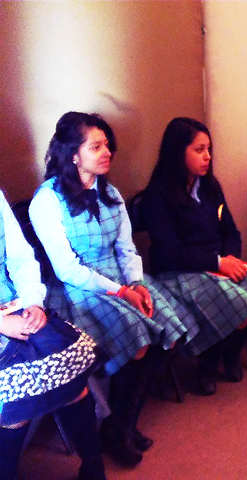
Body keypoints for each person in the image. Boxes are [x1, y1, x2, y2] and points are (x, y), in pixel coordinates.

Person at [29, 112, 191, 466]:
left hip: (120, 278)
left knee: (168, 327)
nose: (107, 153)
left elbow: (126, 248)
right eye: (96, 147)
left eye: (107, 146)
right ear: (74, 154)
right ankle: (119, 429)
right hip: (78, 290)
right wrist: (119, 292)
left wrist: (136, 283)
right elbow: (67, 269)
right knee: (138, 337)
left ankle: (120, 424)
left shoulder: (110, 192)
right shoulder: (47, 200)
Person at [142, 117, 247, 394]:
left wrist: (229, 259)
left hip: (217, 263)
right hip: (180, 272)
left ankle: (230, 352)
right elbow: (168, 253)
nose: (208, 156)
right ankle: (210, 362)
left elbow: (230, 231)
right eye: (199, 150)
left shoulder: (209, 186)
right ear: (177, 152)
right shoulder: (157, 195)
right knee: (240, 308)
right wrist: (217, 263)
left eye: (209, 149)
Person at [0, 190, 105, 480]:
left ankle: (93, 469)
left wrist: (33, 301)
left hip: (13, 305)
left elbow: (21, 258)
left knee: (72, 376)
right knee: (16, 404)